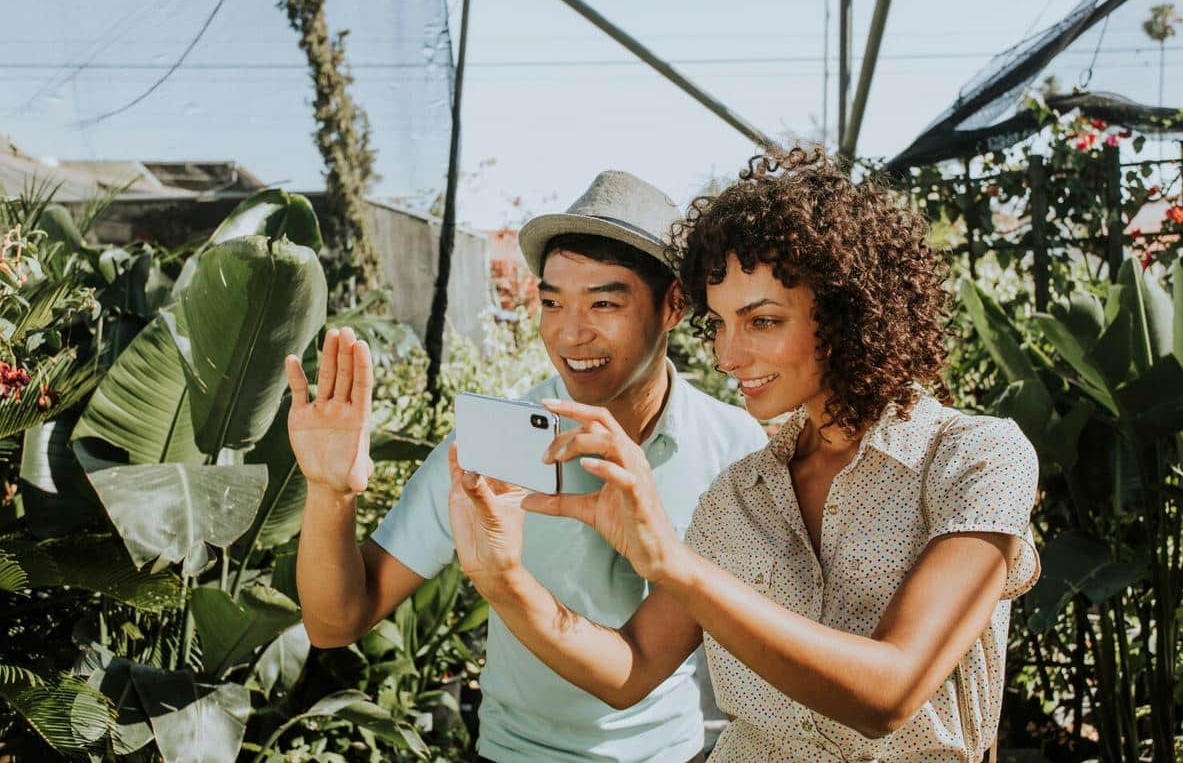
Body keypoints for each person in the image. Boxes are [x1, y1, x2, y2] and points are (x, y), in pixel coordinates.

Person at [448, 148, 1041, 763]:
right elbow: (632, 668)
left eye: (761, 322)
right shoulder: (740, 492)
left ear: (847, 313)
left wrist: (673, 562)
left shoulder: (974, 459)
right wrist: (501, 578)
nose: (727, 356)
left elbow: (889, 694)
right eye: (720, 324)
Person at [285, 170, 767, 763]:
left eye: (604, 303)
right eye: (552, 302)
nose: (570, 333)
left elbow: (636, 670)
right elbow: (334, 622)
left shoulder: (734, 447)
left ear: (673, 305)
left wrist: (503, 579)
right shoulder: (495, 442)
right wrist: (329, 492)